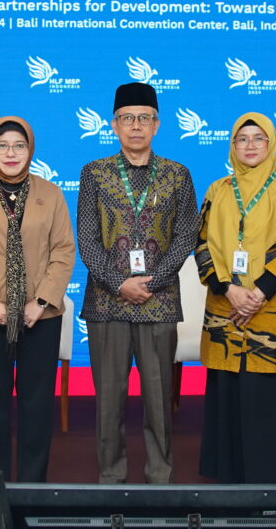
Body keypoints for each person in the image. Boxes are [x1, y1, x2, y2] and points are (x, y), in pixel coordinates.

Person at [77, 82, 200, 485]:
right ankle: (111, 477)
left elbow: (185, 236)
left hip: (158, 303)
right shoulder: (93, 173)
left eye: (144, 118)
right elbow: (87, 241)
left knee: (159, 401)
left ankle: (160, 476)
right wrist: (119, 283)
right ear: (114, 125)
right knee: (109, 399)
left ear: (157, 125)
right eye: (127, 119)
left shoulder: (178, 175)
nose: (135, 126)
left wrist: (153, 281)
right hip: (106, 303)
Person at [0, 116, 75, 482]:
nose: (11, 153)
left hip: (42, 316)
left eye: (19, 146)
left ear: (30, 150)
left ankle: (33, 484)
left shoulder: (50, 194)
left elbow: (63, 252)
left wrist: (41, 301)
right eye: (2, 145)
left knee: (37, 406)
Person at [195, 112, 276, 483]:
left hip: (272, 314)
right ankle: (229, 481)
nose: (250, 146)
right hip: (225, 313)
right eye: (242, 138)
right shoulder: (218, 190)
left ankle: (273, 484)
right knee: (229, 397)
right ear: (232, 145)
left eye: (258, 138)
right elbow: (201, 246)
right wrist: (230, 290)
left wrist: (257, 295)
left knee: (270, 400)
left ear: (271, 143)